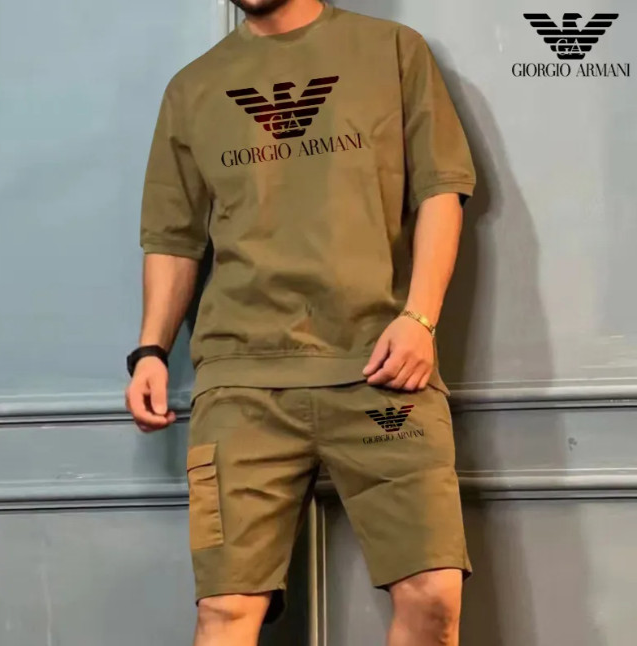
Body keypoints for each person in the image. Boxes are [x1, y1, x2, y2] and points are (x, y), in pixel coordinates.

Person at [125, 0, 476, 644]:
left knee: (432, 597)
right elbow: (173, 238)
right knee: (224, 612)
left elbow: (441, 191)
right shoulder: (193, 87)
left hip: (382, 370)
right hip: (241, 384)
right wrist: (150, 350)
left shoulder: (393, 51)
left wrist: (420, 318)